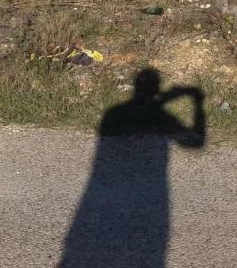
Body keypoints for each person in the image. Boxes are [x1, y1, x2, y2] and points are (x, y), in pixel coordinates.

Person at [59, 68, 206, 268]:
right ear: (156, 90)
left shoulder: (114, 114)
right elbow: (195, 142)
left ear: (135, 88)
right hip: (149, 198)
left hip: (108, 193)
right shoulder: (161, 118)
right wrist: (197, 103)